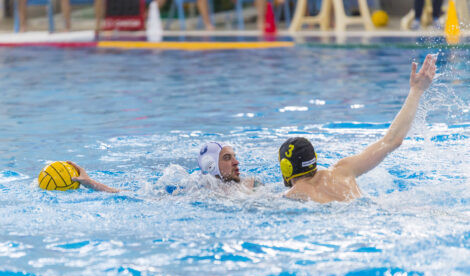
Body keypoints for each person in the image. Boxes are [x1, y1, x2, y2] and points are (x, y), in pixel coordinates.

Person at [278, 54, 437, 203]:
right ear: (314, 159)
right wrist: (416, 91)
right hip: (377, 209)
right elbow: (392, 141)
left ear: (286, 167)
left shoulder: (293, 194)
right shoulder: (343, 170)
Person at [67, 142, 257, 193]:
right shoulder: (197, 189)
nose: (236, 162)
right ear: (211, 165)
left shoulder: (252, 183)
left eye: (235, 156)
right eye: (227, 158)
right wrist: (90, 183)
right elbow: (136, 196)